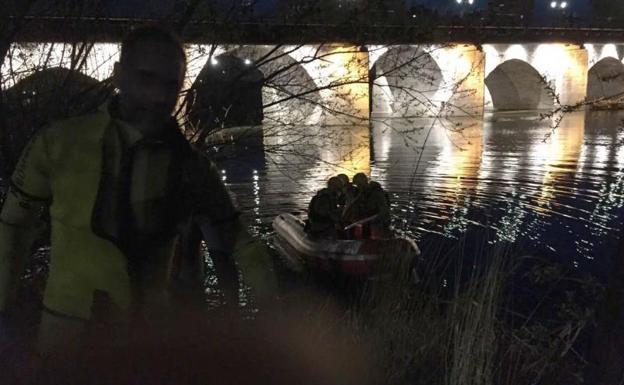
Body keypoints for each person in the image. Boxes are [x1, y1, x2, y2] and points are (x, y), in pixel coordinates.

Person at [0, 25, 277, 359]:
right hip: (68, 347)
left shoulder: (191, 166)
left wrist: (271, 325)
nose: (159, 97)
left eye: (170, 85)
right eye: (146, 78)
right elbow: (13, 228)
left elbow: (241, 243)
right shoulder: (58, 144)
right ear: (117, 76)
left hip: (147, 348)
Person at [351, 173, 391, 239]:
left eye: (359, 184)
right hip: (365, 223)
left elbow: (384, 210)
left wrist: (373, 220)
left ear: (365, 181)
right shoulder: (360, 194)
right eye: (357, 185)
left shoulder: (377, 193)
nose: (358, 187)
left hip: (376, 223)